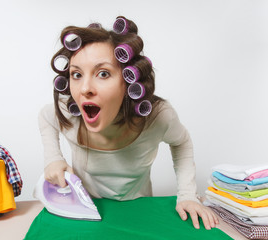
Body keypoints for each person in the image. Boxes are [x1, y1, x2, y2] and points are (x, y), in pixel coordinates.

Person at [38, 16, 218, 230]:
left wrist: (187, 195)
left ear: (128, 81)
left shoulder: (158, 117)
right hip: (87, 213)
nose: (85, 88)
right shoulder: (69, 113)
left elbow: (181, 142)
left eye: (103, 74)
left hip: (139, 212)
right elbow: (45, 116)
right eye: (76, 74)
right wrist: (53, 159)